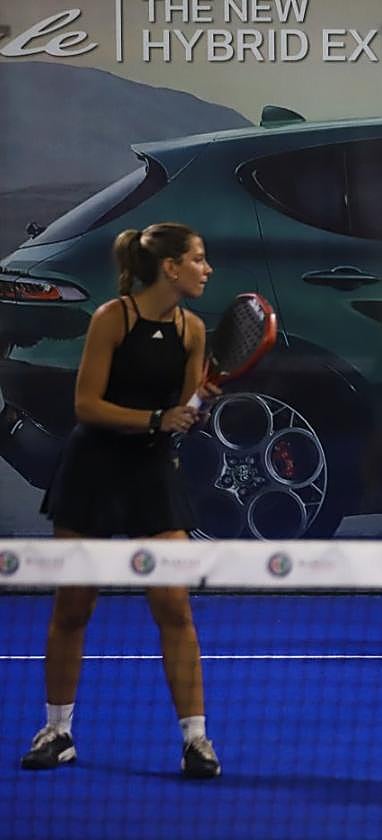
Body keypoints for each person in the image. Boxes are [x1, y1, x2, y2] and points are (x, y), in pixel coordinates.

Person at [20, 223, 223, 779]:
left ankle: (196, 741)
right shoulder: (113, 318)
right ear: (171, 268)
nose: (207, 270)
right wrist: (158, 418)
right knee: (73, 606)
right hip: (93, 469)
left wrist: (195, 404)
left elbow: (181, 412)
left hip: (152, 471)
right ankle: (57, 731)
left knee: (173, 606)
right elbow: (87, 405)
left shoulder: (194, 330)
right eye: (199, 259)